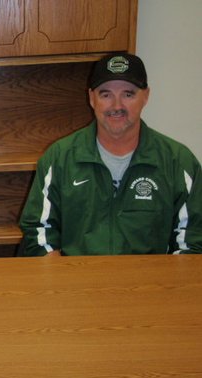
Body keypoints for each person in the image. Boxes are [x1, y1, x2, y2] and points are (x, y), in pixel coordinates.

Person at [19, 53, 202, 256]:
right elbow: (38, 232)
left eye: (128, 94)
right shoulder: (60, 158)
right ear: (91, 98)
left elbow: (193, 243)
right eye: (106, 94)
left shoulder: (178, 162)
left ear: (146, 96)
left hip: (150, 284)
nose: (116, 106)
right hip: (78, 281)